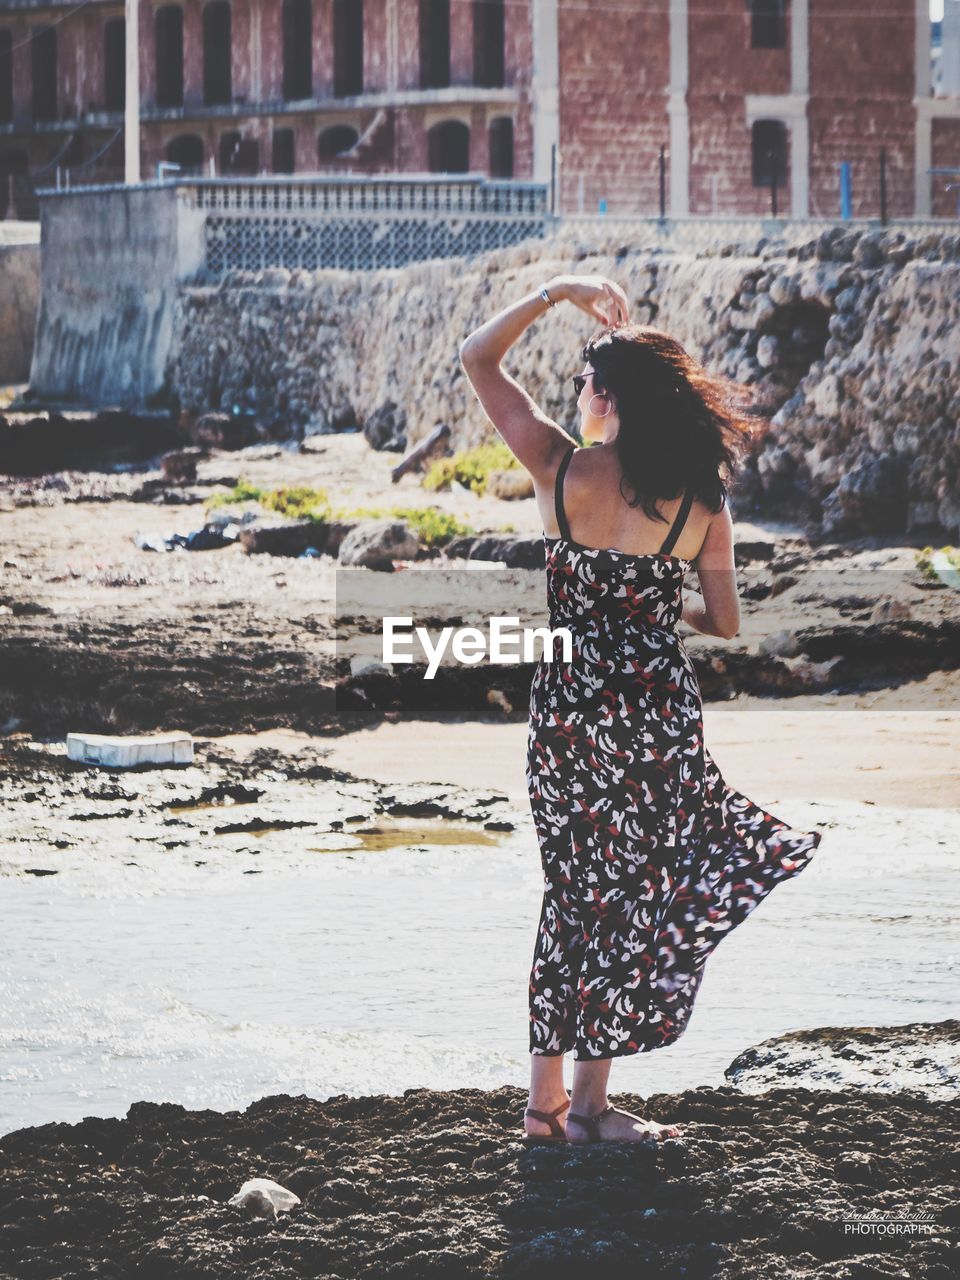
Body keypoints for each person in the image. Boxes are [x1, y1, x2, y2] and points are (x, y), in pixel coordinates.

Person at [459, 273, 824, 1146]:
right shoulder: (703, 500)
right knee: (632, 894)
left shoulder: (560, 470)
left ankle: (546, 1109)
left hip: (572, 715)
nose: (577, 396)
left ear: (608, 397)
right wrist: (659, 610)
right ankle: (591, 1105)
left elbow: (477, 359)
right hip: (657, 717)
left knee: (571, 896)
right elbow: (726, 621)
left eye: (585, 384)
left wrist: (556, 292)